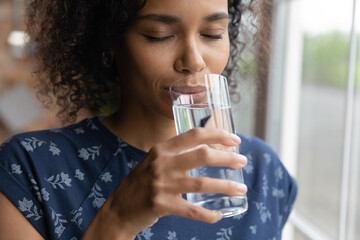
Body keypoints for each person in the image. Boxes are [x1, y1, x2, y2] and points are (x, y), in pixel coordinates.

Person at [0, 0, 297, 239]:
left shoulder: (262, 168)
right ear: (109, 41)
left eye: (212, 34)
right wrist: (118, 219)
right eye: (160, 35)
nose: (194, 60)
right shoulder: (27, 171)